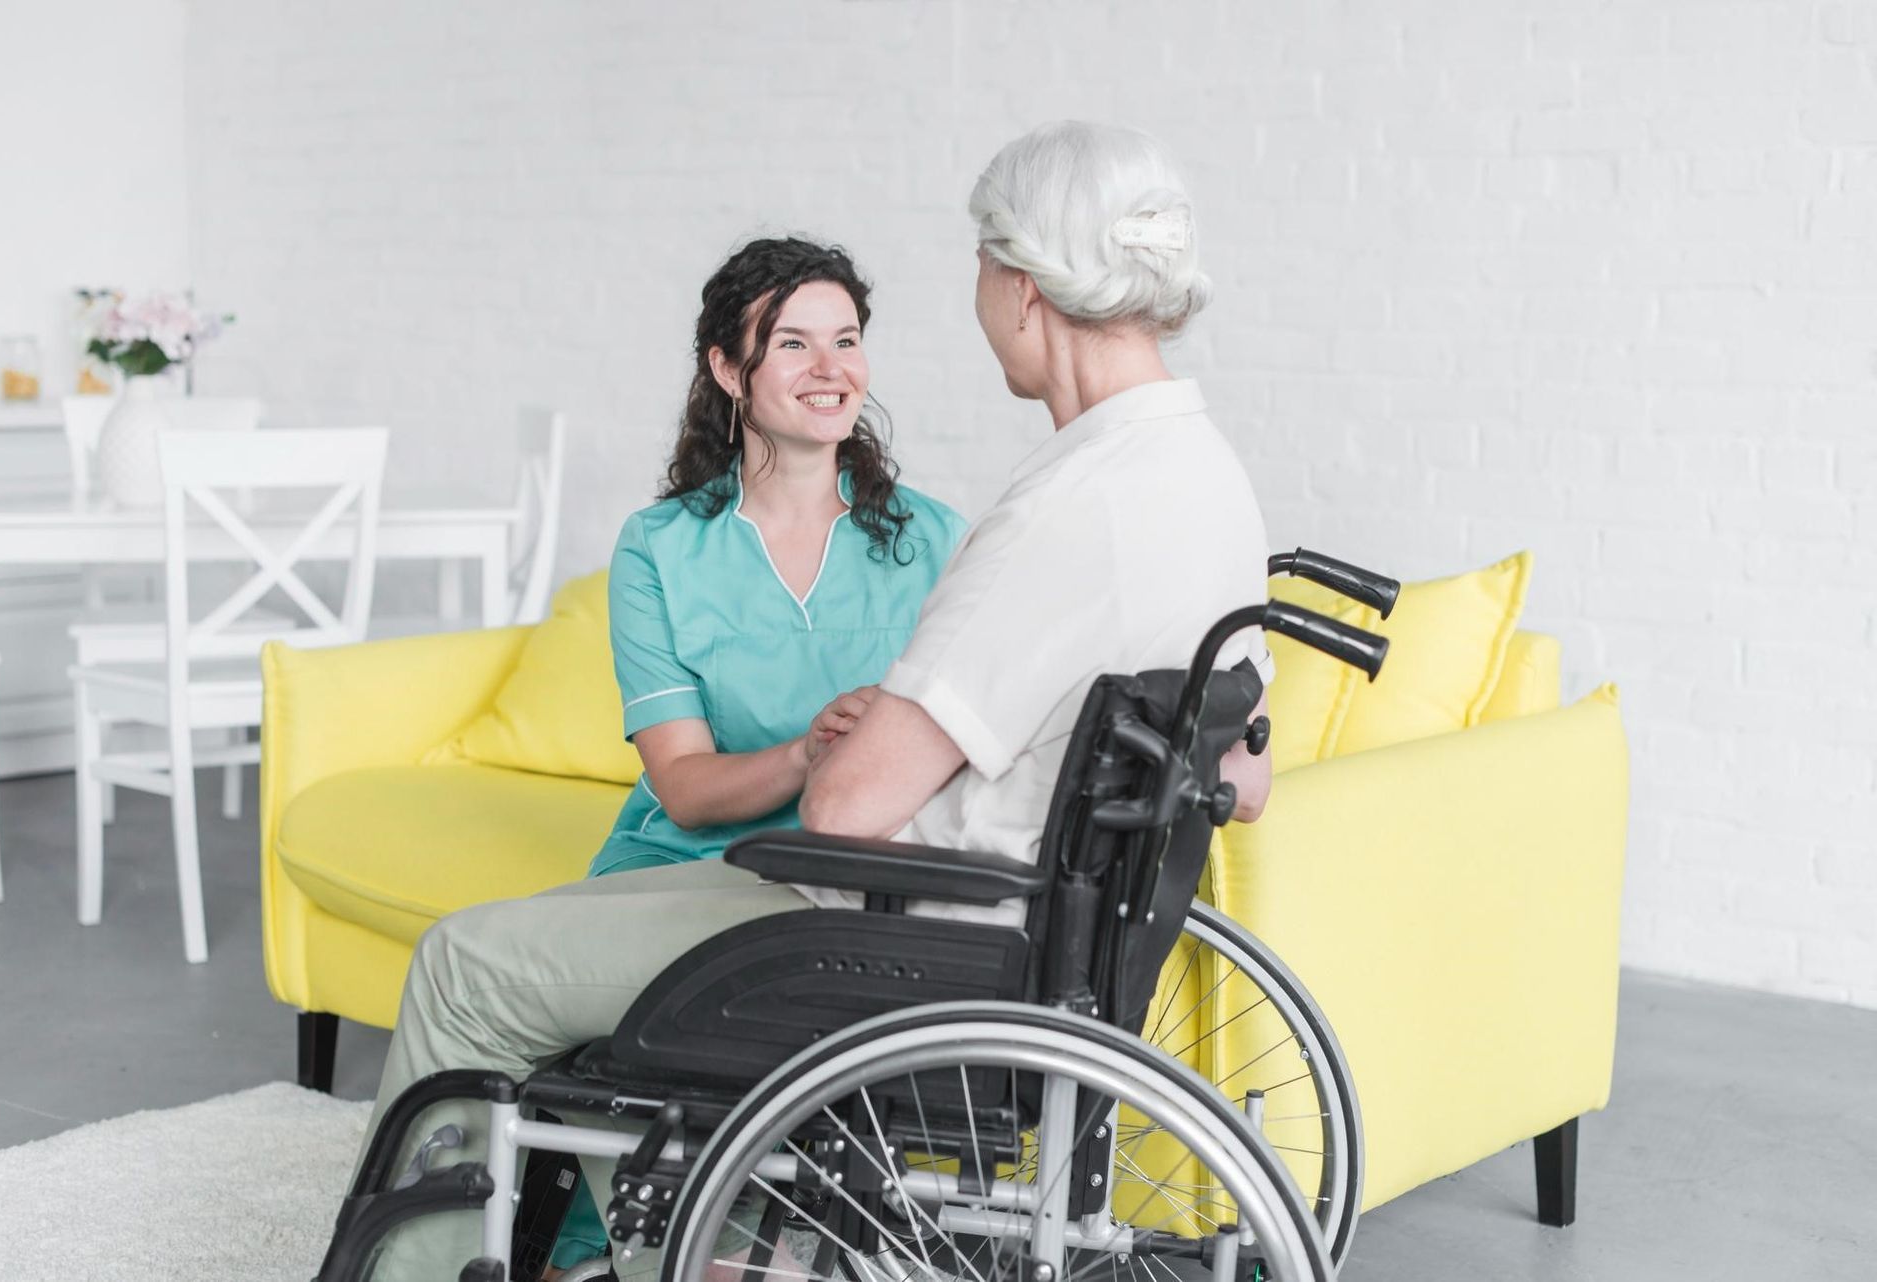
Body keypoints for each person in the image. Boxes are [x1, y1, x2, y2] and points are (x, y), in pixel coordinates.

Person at [344, 121, 1273, 1281]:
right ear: (732, 373)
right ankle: (699, 1248)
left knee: (461, 966)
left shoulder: (1054, 511)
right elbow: (1246, 774)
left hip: (901, 937)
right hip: (1021, 931)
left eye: (982, 269)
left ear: (1024, 290)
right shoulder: (1205, 479)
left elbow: (843, 807)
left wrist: (857, 738)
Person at [548, 238, 965, 1273]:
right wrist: (808, 747)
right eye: (793, 344)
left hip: (839, 877)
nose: (832, 369)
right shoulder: (661, 546)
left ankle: (694, 1247)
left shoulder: (933, 542)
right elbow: (685, 790)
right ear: (728, 371)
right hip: (677, 863)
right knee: (587, 1071)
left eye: (847, 341)